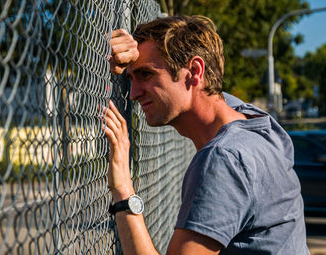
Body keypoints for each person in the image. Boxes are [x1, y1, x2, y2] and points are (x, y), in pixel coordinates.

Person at [103, 15, 309, 254]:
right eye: (131, 78)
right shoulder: (258, 123)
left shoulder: (224, 158)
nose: (133, 93)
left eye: (146, 75)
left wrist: (124, 191)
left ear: (194, 71)